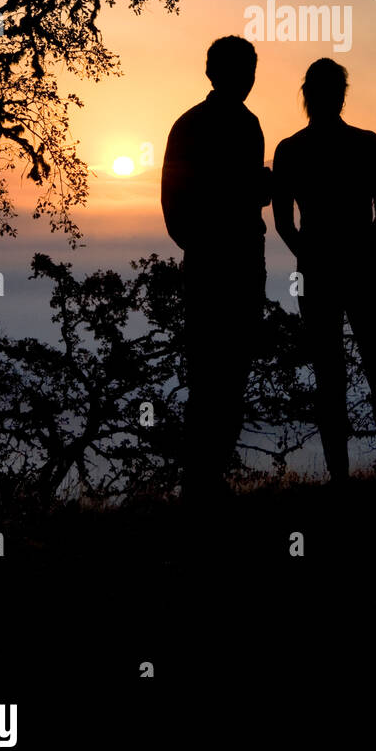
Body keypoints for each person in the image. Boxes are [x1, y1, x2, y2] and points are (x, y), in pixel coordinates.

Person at [272, 59, 376, 486]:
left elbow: (283, 224)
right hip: (363, 269)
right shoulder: (366, 144)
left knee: (330, 376)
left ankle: (340, 477)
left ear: (306, 95)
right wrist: (364, 251)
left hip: (317, 274)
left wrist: (308, 257)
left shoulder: (290, 150)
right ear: (342, 94)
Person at [161, 36, 270, 499]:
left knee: (225, 373)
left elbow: (177, 203)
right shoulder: (205, 126)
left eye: (249, 70)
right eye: (239, 70)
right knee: (214, 376)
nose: (245, 80)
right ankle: (200, 484)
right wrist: (207, 246)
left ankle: (206, 480)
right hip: (222, 263)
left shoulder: (234, 124)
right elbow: (177, 204)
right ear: (213, 73)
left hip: (232, 262)